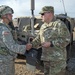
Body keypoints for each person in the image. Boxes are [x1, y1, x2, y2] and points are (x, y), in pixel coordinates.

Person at [29, 6, 71, 75]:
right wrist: (31, 44)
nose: (41, 16)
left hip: (57, 60)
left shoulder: (59, 24)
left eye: (42, 14)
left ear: (50, 14)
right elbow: (39, 38)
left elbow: (66, 39)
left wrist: (51, 43)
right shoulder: (43, 26)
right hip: (46, 59)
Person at [0, 5, 31, 75]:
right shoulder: (4, 29)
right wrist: (25, 47)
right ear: (4, 16)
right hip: (4, 61)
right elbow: (11, 46)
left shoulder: (5, 27)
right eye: (10, 14)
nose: (12, 16)